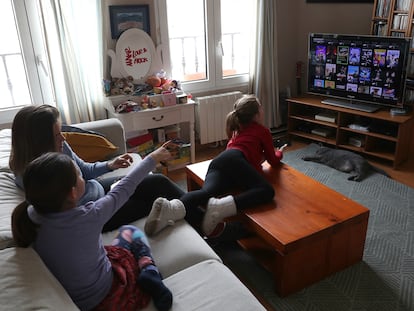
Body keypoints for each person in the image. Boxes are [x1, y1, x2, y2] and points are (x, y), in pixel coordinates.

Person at [11, 148, 174, 311]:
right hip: (106, 292)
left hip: (75, 301)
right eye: (80, 175)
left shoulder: (30, 216)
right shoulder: (90, 216)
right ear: (73, 193)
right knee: (130, 231)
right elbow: (125, 186)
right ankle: (149, 270)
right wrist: (152, 158)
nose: (83, 177)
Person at [9, 104, 185, 232]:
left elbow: (84, 170)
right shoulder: (35, 176)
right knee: (154, 201)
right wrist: (151, 160)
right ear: (39, 142)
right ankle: (201, 215)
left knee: (158, 182)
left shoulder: (60, 145)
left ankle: (202, 209)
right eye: (56, 135)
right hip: (94, 216)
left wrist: (109, 165)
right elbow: (64, 214)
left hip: (97, 190)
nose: (63, 138)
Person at [144, 95, 286, 239]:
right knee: (266, 191)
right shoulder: (262, 131)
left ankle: (171, 208)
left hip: (220, 161)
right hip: (236, 159)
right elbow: (273, 160)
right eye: (261, 107)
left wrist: (256, 159)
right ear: (256, 114)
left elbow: (241, 155)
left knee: (207, 192)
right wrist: (279, 152)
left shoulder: (236, 131)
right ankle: (220, 207)